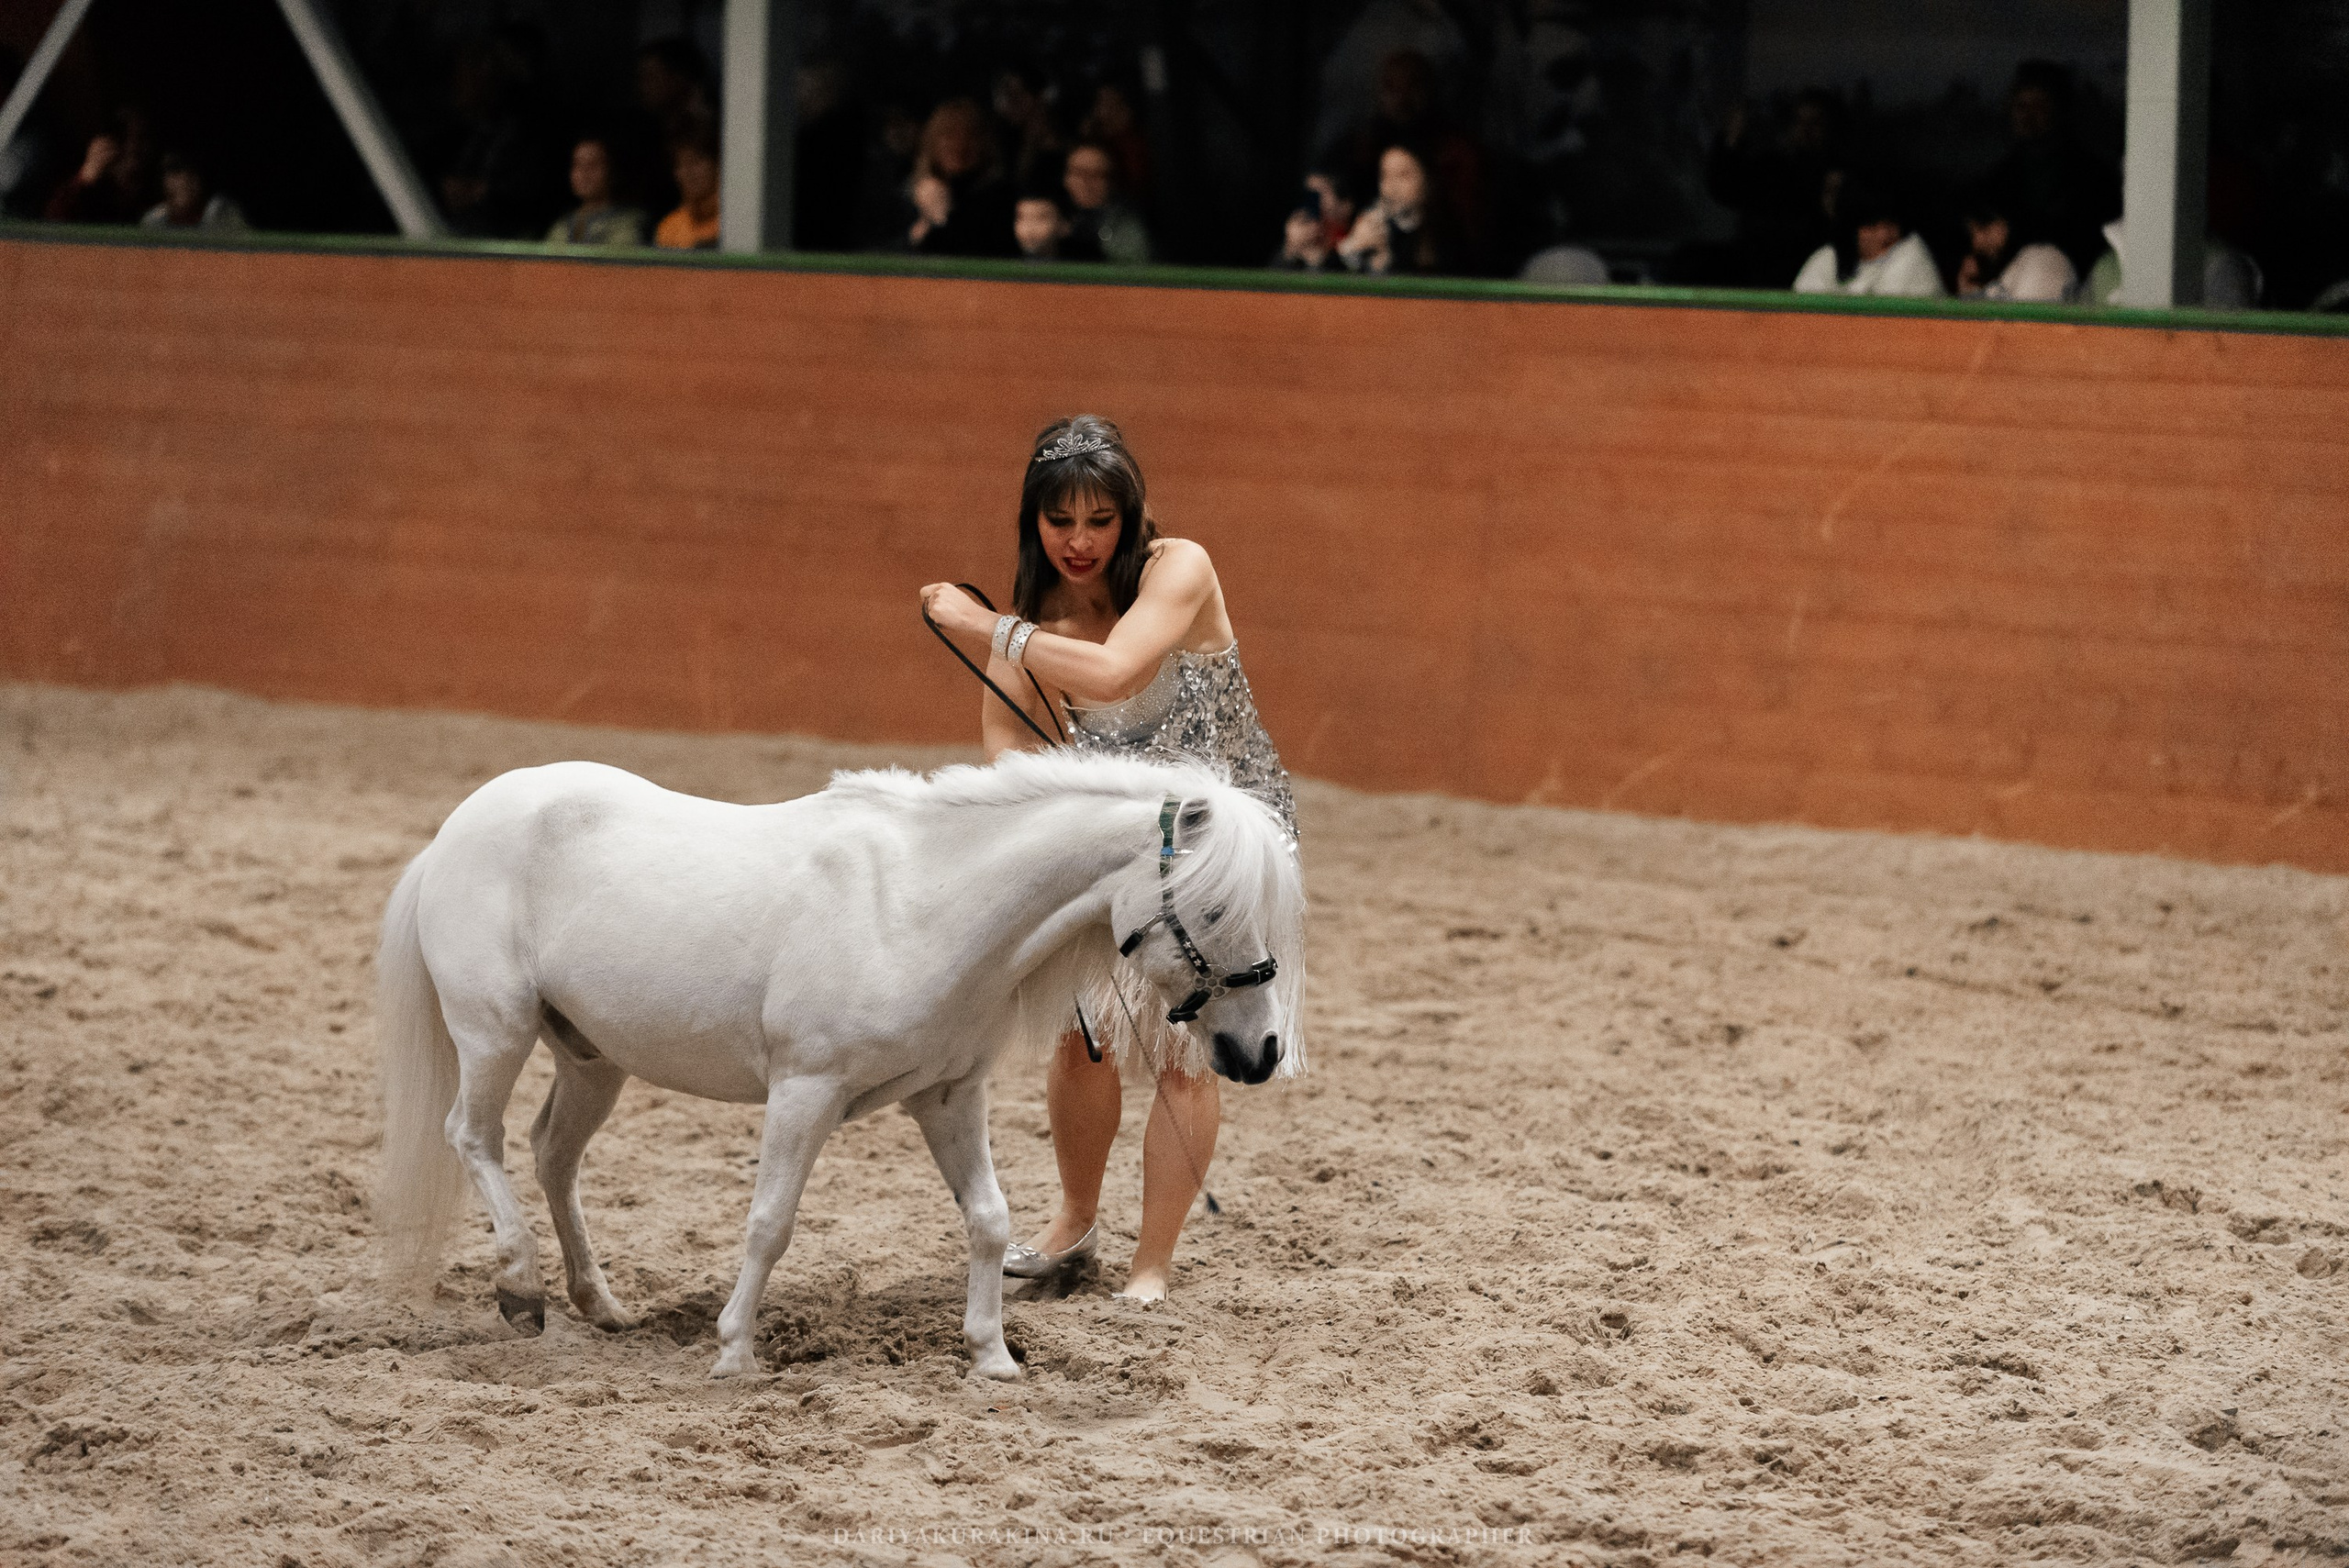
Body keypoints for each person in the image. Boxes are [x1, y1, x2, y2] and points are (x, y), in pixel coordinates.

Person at [915, 416, 1299, 1303]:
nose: (1080, 542)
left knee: (1184, 1047)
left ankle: (1152, 1263)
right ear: (1034, 524)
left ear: (1131, 516)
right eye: (1061, 522)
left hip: (1221, 838)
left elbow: (1117, 673)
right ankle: (1075, 1220)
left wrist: (984, 626)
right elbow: (1010, 758)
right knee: (1079, 1037)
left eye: (1100, 520)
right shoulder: (1035, 628)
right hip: (1120, 857)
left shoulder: (1180, 567)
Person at [1791, 175, 1943, 297]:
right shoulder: (1829, 257)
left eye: (1891, 224)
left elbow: (1879, 322)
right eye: (1871, 226)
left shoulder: (1911, 252)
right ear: (1849, 229)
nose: (1884, 234)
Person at [906, 97, 1016, 258]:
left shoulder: (1003, 197)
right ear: (932, 141)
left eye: (970, 135)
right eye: (949, 135)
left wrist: (942, 219)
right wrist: (924, 224)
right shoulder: (909, 190)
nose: (960, 145)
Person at [1337, 143, 1454, 275]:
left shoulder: (1447, 233)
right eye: (1385, 175)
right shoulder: (1375, 222)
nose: (1391, 186)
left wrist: (1385, 259)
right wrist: (1353, 253)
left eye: (1403, 175)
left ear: (1428, 180)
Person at [1957, 187, 2076, 302]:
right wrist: (1970, 293)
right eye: (1972, 233)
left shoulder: (2044, 257)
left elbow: (2026, 318)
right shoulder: (2013, 267)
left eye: (1983, 226)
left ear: (2008, 219)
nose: (1977, 242)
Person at [1060, 141, 1151, 264]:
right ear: (1066, 178)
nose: (1085, 182)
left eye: (1096, 175)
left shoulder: (1127, 229)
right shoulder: (1056, 216)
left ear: (1112, 182)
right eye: (1078, 172)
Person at [546, 136, 645, 247]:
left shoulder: (628, 222)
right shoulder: (561, 226)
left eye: (593, 164)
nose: (584, 173)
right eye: (578, 165)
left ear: (612, 171)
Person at [139, 150, 246, 233]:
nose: (184, 181)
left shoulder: (220, 213)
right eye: (172, 173)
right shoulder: (154, 220)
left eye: (190, 173)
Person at [654, 126, 720, 250]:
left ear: (716, 165)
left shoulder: (734, 220)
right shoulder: (670, 226)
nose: (687, 173)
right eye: (680, 165)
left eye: (695, 162)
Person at [1013, 186, 1098, 262]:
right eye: (1021, 217)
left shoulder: (1084, 263)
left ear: (1065, 224)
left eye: (1041, 218)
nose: (1029, 228)